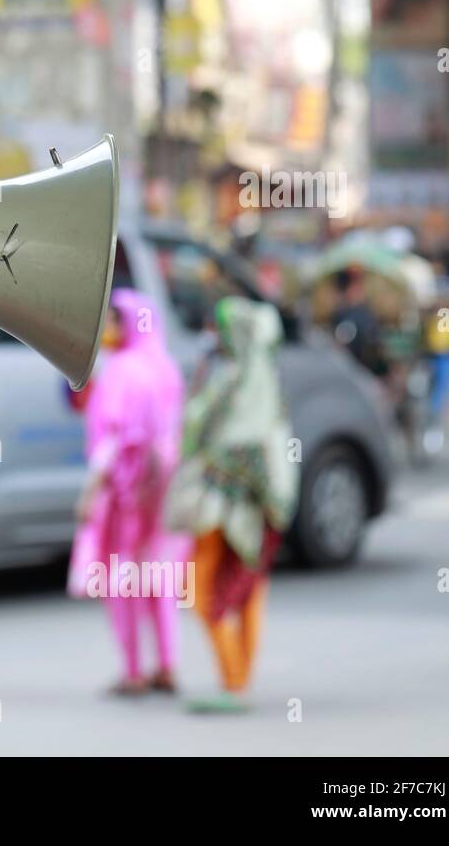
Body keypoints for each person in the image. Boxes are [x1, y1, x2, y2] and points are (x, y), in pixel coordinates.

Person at [165, 297, 298, 713]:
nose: (212, 336)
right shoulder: (259, 381)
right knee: (247, 590)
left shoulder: (236, 384)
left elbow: (196, 434)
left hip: (225, 509)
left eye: (218, 329)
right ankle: (237, 679)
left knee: (209, 592)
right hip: (250, 512)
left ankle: (234, 681)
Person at [68, 289, 188, 695]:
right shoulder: (167, 368)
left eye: (114, 321)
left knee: (123, 584)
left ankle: (134, 671)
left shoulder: (120, 371)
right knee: (160, 579)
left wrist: (90, 493)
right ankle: (167, 665)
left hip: (126, 496)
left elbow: (111, 441)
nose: (107, 330)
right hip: (163, 493)